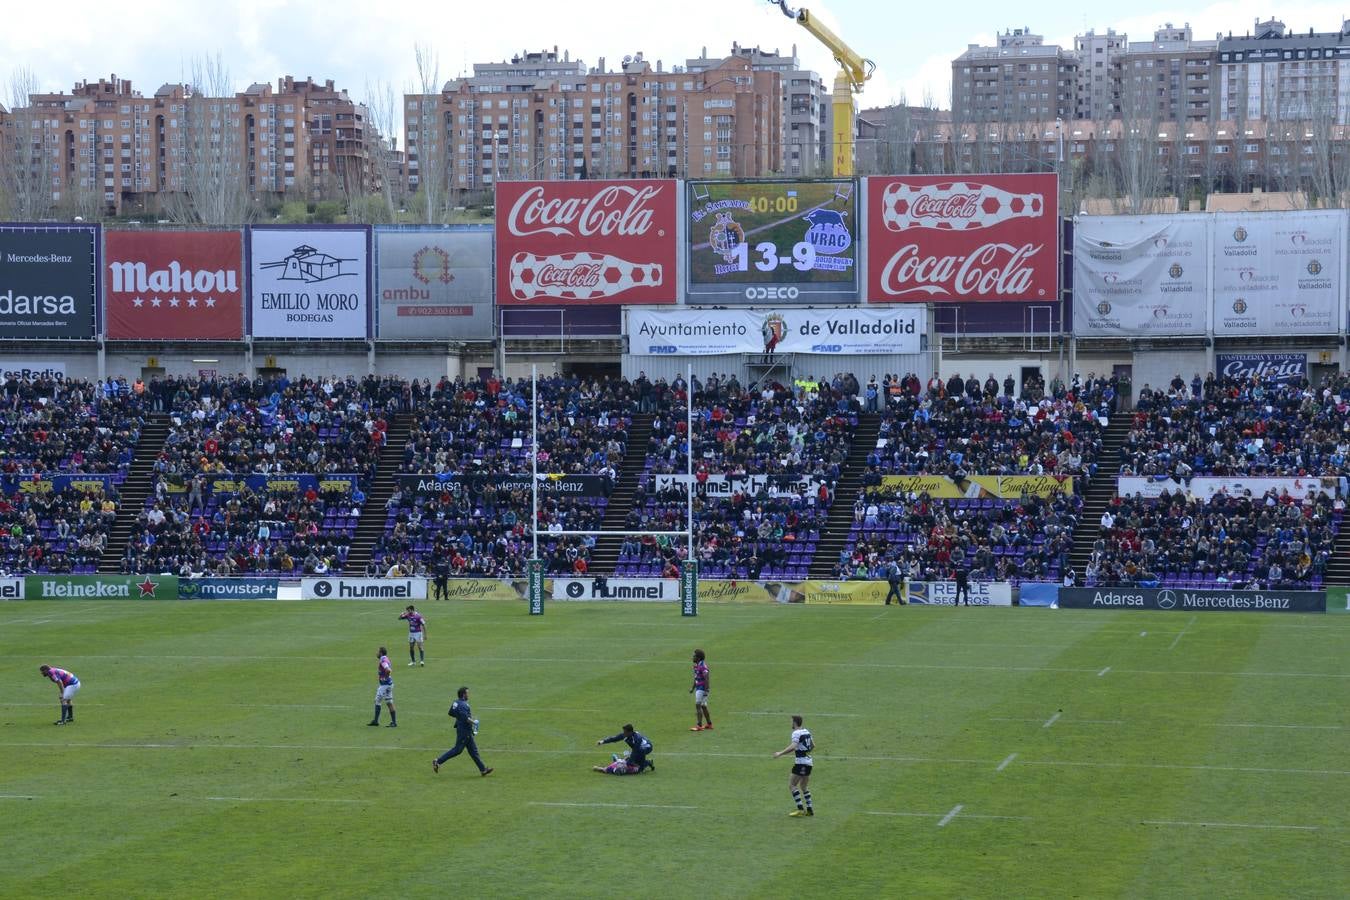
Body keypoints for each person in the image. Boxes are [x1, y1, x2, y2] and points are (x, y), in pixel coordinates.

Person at [433, 686, 493, 776]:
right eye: (467, 693)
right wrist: (474, 722)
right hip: (464, 731)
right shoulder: (464, 705)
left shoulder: (456, 702)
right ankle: (437, 761)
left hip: (463, 729)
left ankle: (483, 769)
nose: (468, 695)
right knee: (457, 750)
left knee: (473, 751)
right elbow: (466, 719)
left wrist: (459, 718)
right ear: (464, 694)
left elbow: (451, 713)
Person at [772, 714, 814, 817]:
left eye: (791, 721)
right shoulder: (806, 731)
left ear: (794, 722)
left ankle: (800, 809)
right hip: (809, 762)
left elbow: (793, 746)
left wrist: (780, 753)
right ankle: (809, 809)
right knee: (803, 787)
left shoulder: (796, 733)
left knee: (792, 785)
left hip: (801, 763)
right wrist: (804, 751)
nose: (790, 723)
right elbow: (813, 745)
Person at [368, 647, 397, 727]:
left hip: (384, 685)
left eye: (377, 652)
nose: (376, 653)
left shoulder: (382, 660)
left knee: (377, 701)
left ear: (381, 653)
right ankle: (394, 722)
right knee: (389, 702)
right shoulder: (386, 658)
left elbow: (388, 670)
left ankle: (376, 721)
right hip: (389, 684)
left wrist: (385, 677)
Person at [690, 649, 713, 731]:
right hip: (700, 688)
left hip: (701, 689)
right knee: (703, 706)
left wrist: (706, 690)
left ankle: (699, 725)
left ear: (698, 658)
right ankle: (709, 724)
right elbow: (696, 678)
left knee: (698, 705)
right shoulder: (697, 666)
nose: (692, 657)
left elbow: (706, 677)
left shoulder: (702, 666)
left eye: (694, 656)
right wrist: (692, 688)